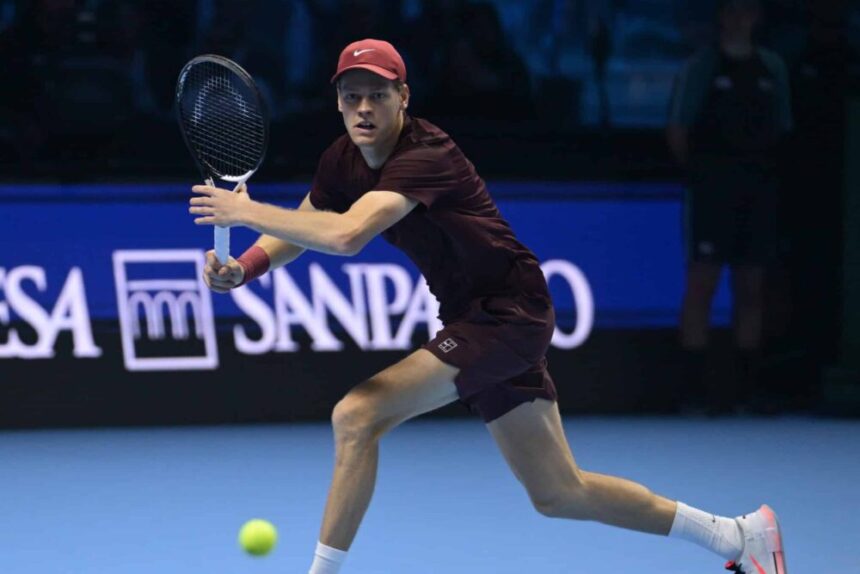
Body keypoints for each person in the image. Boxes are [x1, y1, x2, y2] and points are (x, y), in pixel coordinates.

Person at [189, 38, 788, 574]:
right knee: (559, 493)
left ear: (403, 97)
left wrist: (244, 210)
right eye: (351, 97)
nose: (363, 109)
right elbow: (309, 221)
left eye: (377, 95)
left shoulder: (427, 153)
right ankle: (737, 535)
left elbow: (346, 235)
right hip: (473, 317)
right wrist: (247, 266)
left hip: (508, 312)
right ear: (339, 103)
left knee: (357, 414)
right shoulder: (341, 159)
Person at [666, 0, 793, 413]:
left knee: (752, 286)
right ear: (721, 16)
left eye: (748, 11)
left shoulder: (772, 68)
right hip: (712, 192)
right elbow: (678, 131)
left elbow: (782, 128)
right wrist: (706, 176)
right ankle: (692, 392)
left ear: (758, 16)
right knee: (702, 283)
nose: (740, 19)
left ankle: (745, 391)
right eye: (733, 10)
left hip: (758, 191)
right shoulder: (700, 67)